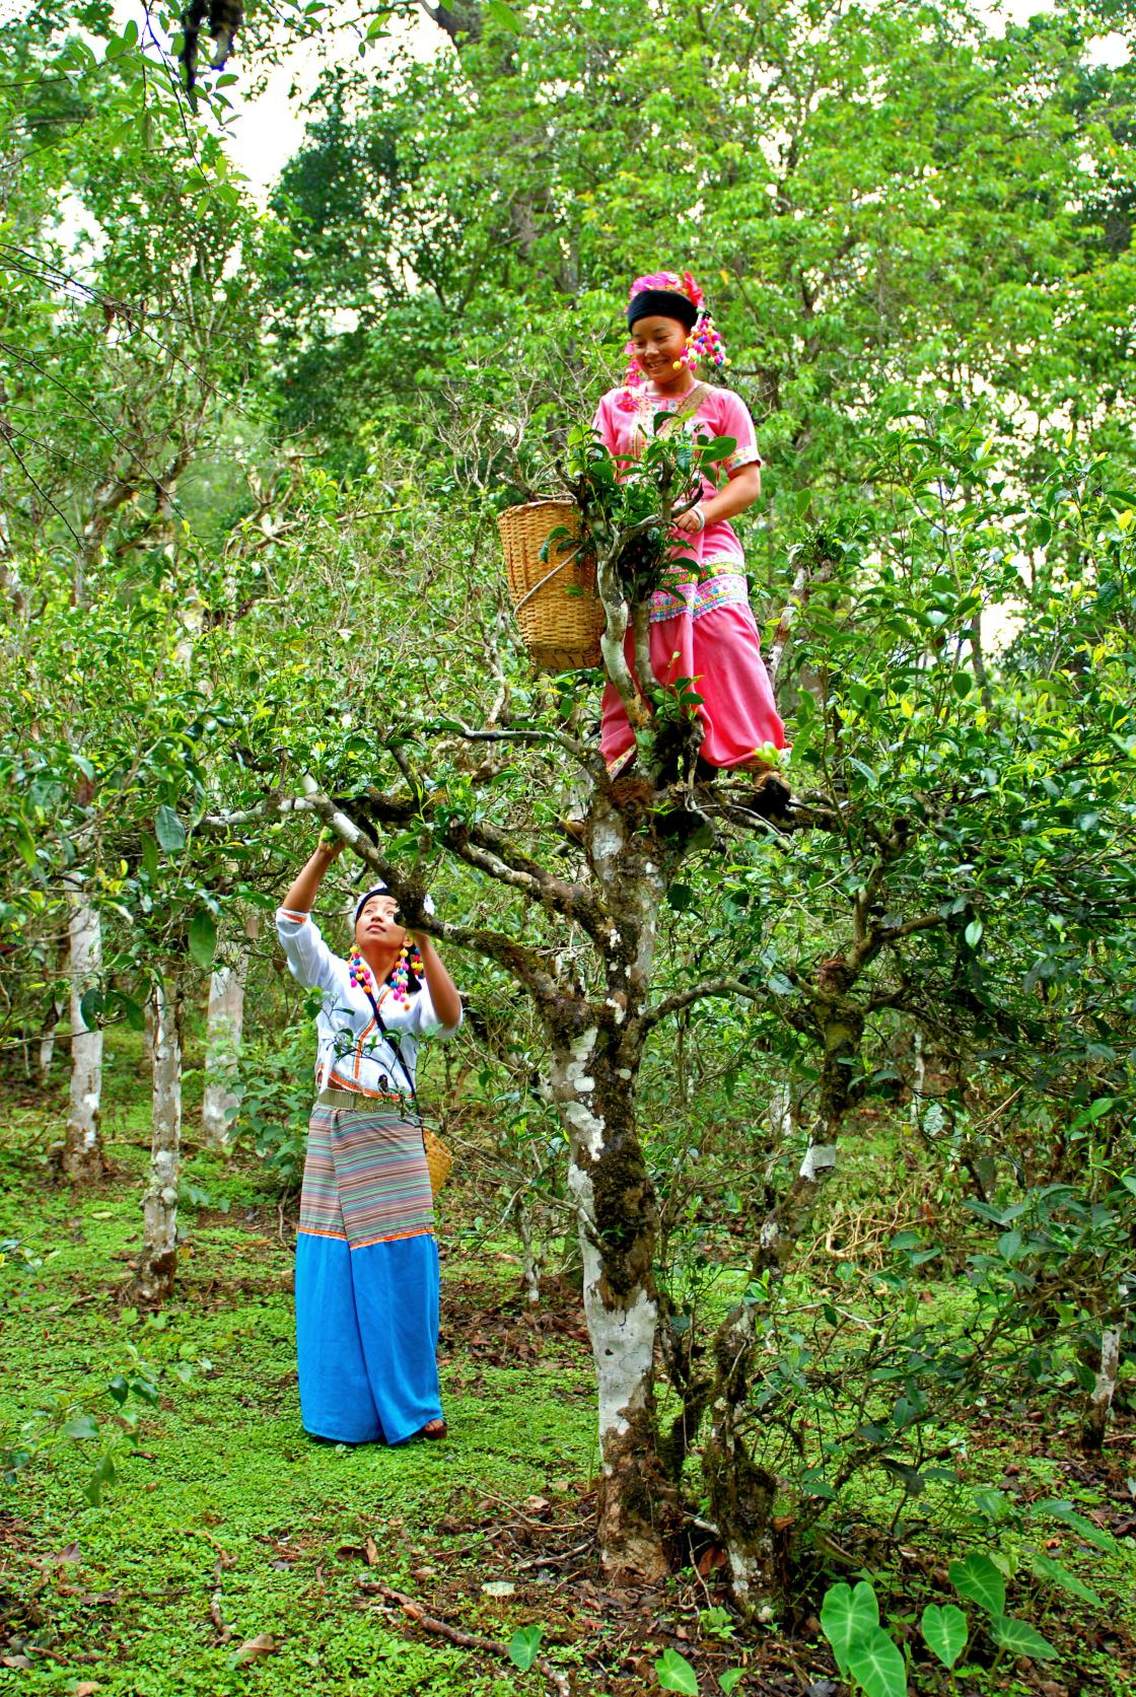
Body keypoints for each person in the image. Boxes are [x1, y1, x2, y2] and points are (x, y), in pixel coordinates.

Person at [275, 833, 462, 1445]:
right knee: (331, 1260)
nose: (378, 918)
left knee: (402, 1261)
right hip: (333, 1127)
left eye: (392, 913)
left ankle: (414, 1402)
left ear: (408, 931)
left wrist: (427, 937)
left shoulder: (410, 996)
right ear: (354, 929)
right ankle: (342, 1410)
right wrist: (325, 851)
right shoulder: (334, 980)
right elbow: (291, 920)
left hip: (392, 1133)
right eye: (368, 912)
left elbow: (449, 1017)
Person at [592, 269, 788, 806]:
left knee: (727, 636)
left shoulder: (722, 404)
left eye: (662, 337)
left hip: (706, 543)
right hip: (638, 551)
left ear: (690, 336)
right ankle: (628, 773)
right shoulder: (617, 406)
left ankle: (760, 763)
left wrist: (702, 513)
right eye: (640, 341)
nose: (650, 350)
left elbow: (747, 484)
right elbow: (596, 476)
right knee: (636, 657)